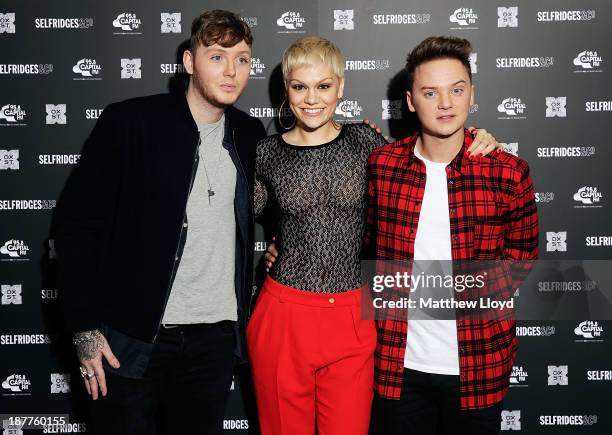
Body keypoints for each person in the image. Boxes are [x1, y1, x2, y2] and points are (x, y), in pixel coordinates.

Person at [250, 36, 501, 435]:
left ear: (341, 87)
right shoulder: (264, 153)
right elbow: (247, 222)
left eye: (324, 86)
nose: (312, 98)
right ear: (286, 90)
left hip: (354, 313)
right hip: (284, 314)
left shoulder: (367, 144)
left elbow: (426, 160)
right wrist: (275, 246)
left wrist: (476, 136)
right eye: (299, 86)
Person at [53, 10, 265, 435]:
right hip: (135, 335)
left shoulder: (249, 132)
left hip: (215, 337)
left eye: (242, 59)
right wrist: (84, 329)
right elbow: (75, 230)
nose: (231, 71)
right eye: (218, 56)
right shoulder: (131, 123)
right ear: (189, 62)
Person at [365, 36, 539, 435]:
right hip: (397, 364)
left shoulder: (507, 171)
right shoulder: (383, 166)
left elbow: (523, 256)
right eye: (431, 92)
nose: (445, 103)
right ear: (411, 101)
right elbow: (364, 241)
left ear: (471, 93)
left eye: (456, 90)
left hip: (478, 363)